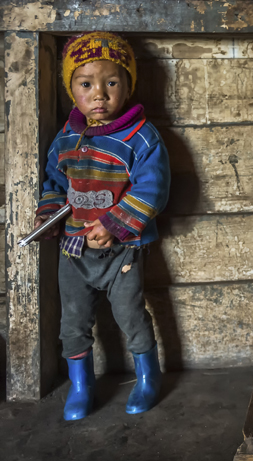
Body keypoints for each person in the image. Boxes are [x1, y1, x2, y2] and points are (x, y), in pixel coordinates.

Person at [33, 32, 170, 420]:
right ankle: (81, 385)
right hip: (74, 250)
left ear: (128, 84)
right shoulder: (66, 137)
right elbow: (54, 181)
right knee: (73, 322)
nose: (99, 95)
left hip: (122, 251)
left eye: (111, 82)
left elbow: (153, 188)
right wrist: (49, 214)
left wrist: (114, 224)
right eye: (86, 84)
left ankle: (148, 378)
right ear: (71, 89)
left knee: (130, 316)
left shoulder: (141, 137)